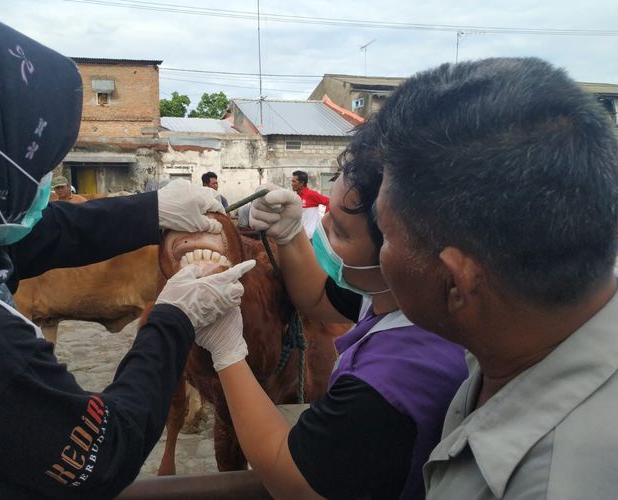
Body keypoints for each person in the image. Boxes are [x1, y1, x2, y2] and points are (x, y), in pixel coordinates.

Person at [0, 3, 254, 498]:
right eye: (33, 164)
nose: (41, 185)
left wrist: (149, 210)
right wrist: (173, 318)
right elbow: (103, 451)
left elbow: (38, 237)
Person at [372, 58, 618, 499]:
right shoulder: (513, 341)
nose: (379, 253)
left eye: (386, 234)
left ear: (455, 282)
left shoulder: (549, 483)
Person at [193, 119, 468, 499]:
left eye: (339, 230)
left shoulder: (388, 383)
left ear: (407, 249)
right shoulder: (414, 302)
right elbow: (318, 298)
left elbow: (292, 479)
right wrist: (290, 237)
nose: (320, 231)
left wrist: (227, 351)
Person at [291, 170, 330, 239]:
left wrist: (325, 220)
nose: (292, 184)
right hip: (300, 237)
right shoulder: (296, 197)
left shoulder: (311, 194)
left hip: (311, 237)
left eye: (294, 181)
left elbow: (329, 202)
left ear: (301, 183)